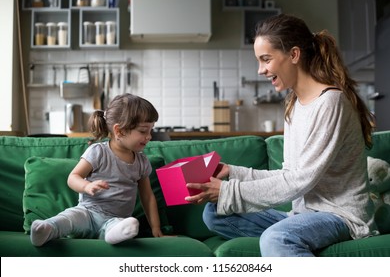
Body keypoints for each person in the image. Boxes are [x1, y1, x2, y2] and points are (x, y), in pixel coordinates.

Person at [185, 14, 379, 256]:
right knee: (215, 213)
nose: (261, 70)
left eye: (266, 59)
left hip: (341, 215)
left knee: (276, 238)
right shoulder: (294, 103)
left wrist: (228, 191)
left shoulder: (331, 102)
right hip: (303, 215)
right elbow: (290, 173)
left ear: (294, 55)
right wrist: (234, 173)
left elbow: (301, 180)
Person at [30, 93, 164, 246]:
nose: (149, 136)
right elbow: (73, 177)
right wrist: (86, 186)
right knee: (70, 217)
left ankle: (110, 234)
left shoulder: (141, 162)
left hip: (115, 220)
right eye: (143, 131)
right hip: (87, 213)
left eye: (150, 130)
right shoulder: (98, 152)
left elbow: (147, 196)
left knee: (127, 225)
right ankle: (47, 229)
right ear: (119, 131)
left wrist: (156, 228)